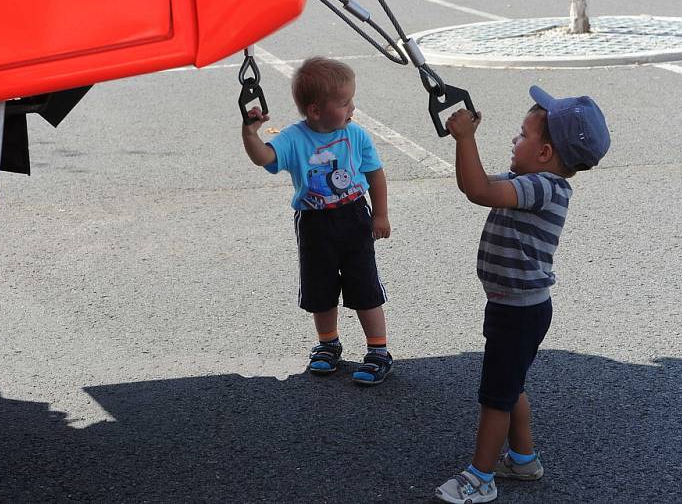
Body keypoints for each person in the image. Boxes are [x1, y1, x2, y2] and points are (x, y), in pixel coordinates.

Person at [435, 86, 611, 503]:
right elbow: (471, 185)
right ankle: (522, 459)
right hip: (512, 305)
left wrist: (466, 138)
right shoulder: (528, 182)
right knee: (510, 385)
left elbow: (479, 191)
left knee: (495, 394)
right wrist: (465, 144)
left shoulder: (543, 188)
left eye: (523, 134)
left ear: (546, 152)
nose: (514, 140)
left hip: (519, 311)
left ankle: (480, 477)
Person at [240, 57, 393, 385]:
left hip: (354, 216)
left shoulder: (357, 135)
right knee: (319, 288)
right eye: (344, 102)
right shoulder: (294, 138)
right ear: (314, 110)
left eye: (351, 100)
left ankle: (378, 350)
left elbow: (375, 175)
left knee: (364, 285)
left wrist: (380, 214)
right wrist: (250, 133)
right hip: (314, 223)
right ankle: (328, 344)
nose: (352, 107)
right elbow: (264, 157)